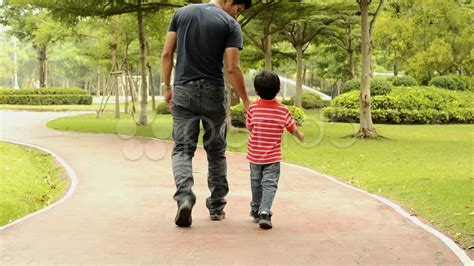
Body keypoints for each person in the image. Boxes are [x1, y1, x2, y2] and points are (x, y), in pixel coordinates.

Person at [161, 0, 252, 227]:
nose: (237, 15)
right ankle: (217, 206)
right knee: (216, 150)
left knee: (182, 149)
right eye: (238, 10)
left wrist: (166, 87)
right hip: (213, 92)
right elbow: (232, 68)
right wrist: (246, 101)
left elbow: (166, 53)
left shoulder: (180, 14)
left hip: (183, 90)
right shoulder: (230, 24)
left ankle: (184, 197)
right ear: (230, 1)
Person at [245, 70, 305, 229]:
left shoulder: (253, 108)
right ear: (278, 89)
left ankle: (256, 209)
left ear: (256, 91)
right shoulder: (283, 110)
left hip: (254, 156)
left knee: (256, 183)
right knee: (269, 184)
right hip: (272, 157)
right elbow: (292, 128)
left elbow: (250, 127)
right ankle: (265, 212)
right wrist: (299, 135)